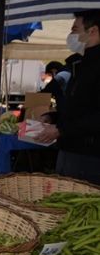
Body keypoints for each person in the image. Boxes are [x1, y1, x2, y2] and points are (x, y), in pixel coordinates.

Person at [35, 10, 100, 185]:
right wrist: (54, 117)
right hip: (69, 149)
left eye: (75, 30)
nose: (71, 35)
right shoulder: (79, 64)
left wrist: (61, 130)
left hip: (89, 156)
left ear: (93, 31)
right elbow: (79, 107)